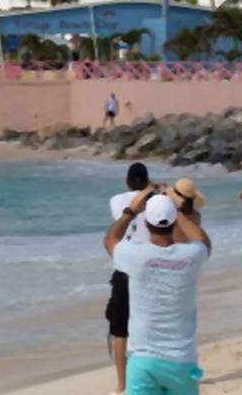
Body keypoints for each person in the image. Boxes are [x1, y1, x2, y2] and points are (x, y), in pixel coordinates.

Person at [104, 191, 213, 395]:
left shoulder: (134, 255)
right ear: (174, 223)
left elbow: (110, 239)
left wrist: (130, 211)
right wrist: (178, 213)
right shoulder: (191, 256)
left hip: (143, 362)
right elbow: (203, 240)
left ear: (145, 223)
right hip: (182, 361)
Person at [108, 162, 160, 393]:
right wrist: (155, 190)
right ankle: (154, 376)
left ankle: (122, 383)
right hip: (151, 268)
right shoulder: (159, 201)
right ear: (147, 180)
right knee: (151, 326)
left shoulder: (116, 200)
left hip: (125, 267)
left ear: (128, 181)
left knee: (120, 330)